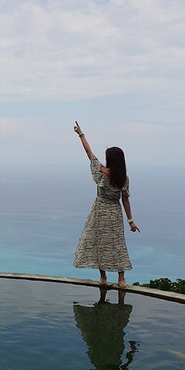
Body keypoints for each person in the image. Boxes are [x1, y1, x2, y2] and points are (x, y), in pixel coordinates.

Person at [72, 120, 139, 288]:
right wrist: (131, 221)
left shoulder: (102, 173)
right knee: (117, 243)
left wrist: (81, 134)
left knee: (99, 242)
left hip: (100, 211)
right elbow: (125, 200)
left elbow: (88, 152)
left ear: (110, 160)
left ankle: (102, 277)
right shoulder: (124, 178)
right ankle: (121, 279)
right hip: (115, 213)